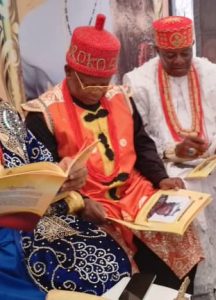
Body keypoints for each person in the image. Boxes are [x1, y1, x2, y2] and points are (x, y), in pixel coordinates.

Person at [23, 14, 202, 292]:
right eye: (90, 83)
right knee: (109, 261)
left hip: (134, 192)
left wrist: (160, 178)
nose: (98, 91)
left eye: (103, 82)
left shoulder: (121, 96)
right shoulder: (42, 113)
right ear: (68, 71)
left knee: (181, 236)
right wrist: (80, 203)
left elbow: (142, 145)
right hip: (89, 205)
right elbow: (46, 176)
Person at [123, 16, 216, 299]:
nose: (179, 61)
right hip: (168, 168)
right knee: (186, 198)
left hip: (214, 161)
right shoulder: (138, 82)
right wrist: (174, 151)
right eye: (170, 55)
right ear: (158, 51)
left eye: (186, 53)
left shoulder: (210, 72)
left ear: (193, 46)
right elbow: (140, 137)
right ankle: (200, 285)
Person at [0, 99, 132, 299]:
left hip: (35, 221)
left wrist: (65, 174)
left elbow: (41, 162)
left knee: (109, 261)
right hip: (8, 243)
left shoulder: (4, 112)